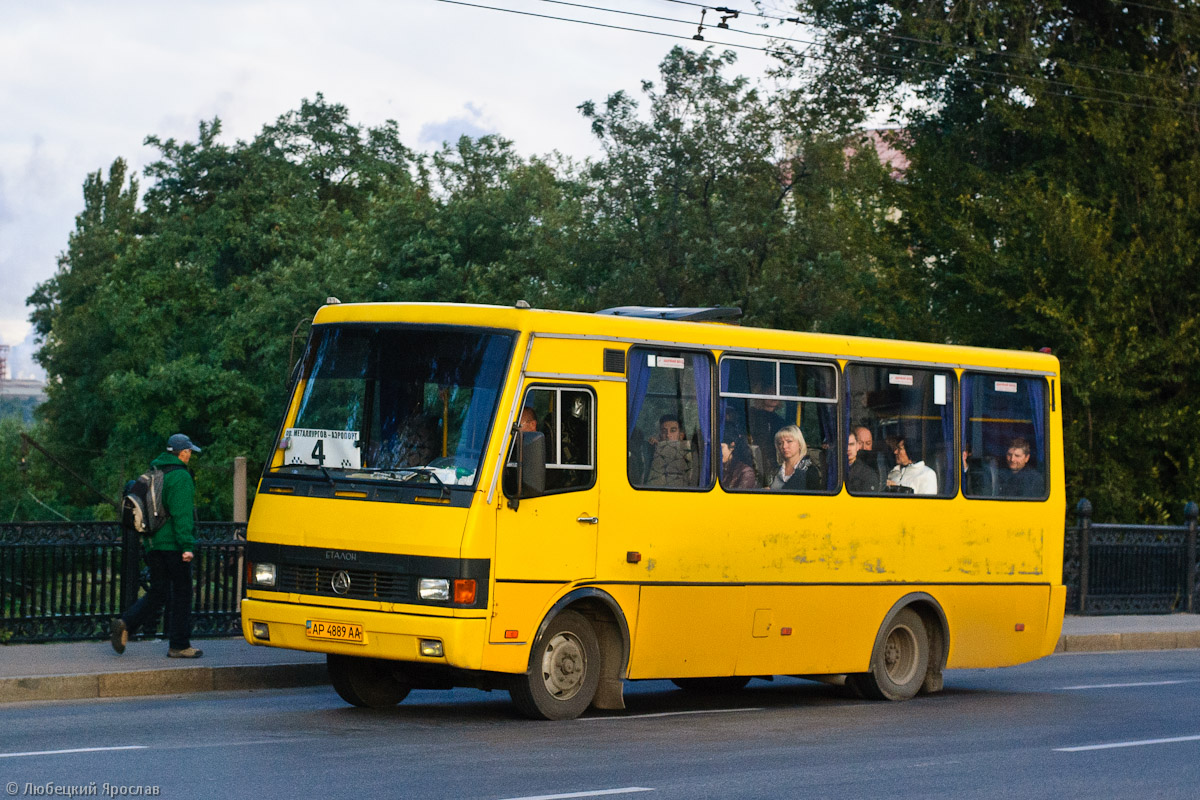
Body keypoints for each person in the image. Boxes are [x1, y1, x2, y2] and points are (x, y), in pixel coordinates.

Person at [111, 433, 204, 659]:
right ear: (183, 452)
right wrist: (187, 546)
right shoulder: (181, 477)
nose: (190, 455)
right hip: (173, 545)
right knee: (182, 593)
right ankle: (179, 645)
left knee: (159, 591)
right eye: (189, 451)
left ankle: (126, 622)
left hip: (152, 545)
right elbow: (182, 515)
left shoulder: (154, 472)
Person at [769, 425, 822, 491]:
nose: (784, 446)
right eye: (780, 443)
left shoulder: (810, 471)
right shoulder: (775, 471)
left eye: (789, 441)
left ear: (800, 444)